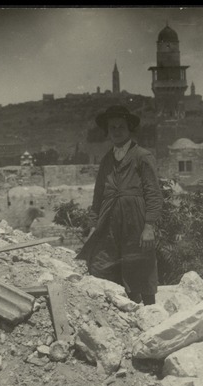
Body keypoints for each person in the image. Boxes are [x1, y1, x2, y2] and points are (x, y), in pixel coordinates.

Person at [76, 105, 162, 305]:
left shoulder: (142, 156)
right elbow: (98, 195)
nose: (116, 131)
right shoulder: (106, 159)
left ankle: (151, 313)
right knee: (102, 265)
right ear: (107, 131)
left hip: (135, 220)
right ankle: (123, 312)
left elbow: (153, 193)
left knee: (140, 266)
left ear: (129, 128)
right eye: (112, 127)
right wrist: (93, 224)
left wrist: (149, 226)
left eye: (121, 126)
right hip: (110, 221)